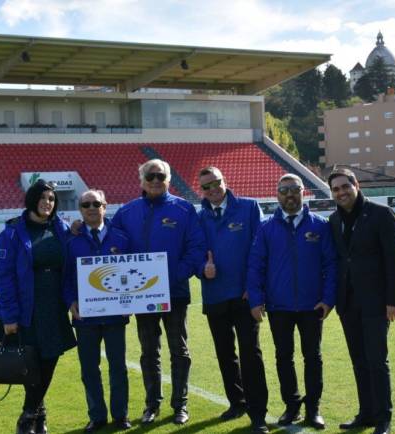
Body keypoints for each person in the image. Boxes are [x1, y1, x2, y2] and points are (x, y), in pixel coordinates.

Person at [111, 159, 206, 425]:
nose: (155, 180)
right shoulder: (127, 212)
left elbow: (196, 247)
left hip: (174, 293)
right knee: (149, 352)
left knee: (179, 350)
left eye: (160, 175)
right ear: (141, 180)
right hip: (143, 296)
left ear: (168, 179)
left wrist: (175, 275)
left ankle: (180, 405)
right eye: (150, 176)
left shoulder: (184, 209)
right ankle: (152, 405)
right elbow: (111, 243)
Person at [247, 173, 337, 430]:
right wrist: (256, 299)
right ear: (277, 195)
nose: (289, 195)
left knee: (313, 357)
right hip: (279, 307)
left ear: (303, 192)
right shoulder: (266, 228)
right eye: (284, 190)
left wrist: (328, 299)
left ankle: (313, 409)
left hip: (313, 307)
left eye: (294, 189)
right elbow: (256, 266)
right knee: (283, 357)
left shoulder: (320, 226)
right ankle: (292, 406)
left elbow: (331, 265)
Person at [0, 179, 77, 434]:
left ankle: (33, 412)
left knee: (49, 360)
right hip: (25, 308)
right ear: (31, 200)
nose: (47, 203)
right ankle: (32, 417)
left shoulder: (61, 229)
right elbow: (2, 277)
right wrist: (9, 315)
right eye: (42, 198)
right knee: (30, 363)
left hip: (53, 307)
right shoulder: (12, 233)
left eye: (51, 199)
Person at [327, 168, 395, 434]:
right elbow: (339, 261)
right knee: (359, 361)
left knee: (376, 361)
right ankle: (366, 413)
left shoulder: (381, 214)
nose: (341, 192)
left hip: (376, 302)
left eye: (344, 187)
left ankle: (384, 418)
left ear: (356, 185)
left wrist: (394, 300)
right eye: (335, 189)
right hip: (347, 303)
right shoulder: (334, 220)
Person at [196, 167, 269, 433]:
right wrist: (202, 267)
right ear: (200, 190)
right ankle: (236, 403)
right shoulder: (198, 217)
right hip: (214, 296)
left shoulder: (249, 208)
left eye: (216, 182)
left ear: (225, 181)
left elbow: (262, 248)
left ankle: (258, 413)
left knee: (251, 353)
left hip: (245, 295)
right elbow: (193, 252)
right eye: (206, 186)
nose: (212, 189)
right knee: (225, 354)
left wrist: (256, 287)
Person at [64, 190, 132, 432]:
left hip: (115, 317)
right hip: (85, 317)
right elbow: (66, 277)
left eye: (96, 203)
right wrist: (70, 300)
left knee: (118, 368)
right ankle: (97, 415)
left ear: (105, 206)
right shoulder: (71, 240)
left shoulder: (121, 238)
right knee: (89, 369)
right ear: (80, 209)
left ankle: (120, 415)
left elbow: (132, 273)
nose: (91, 208)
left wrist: (130, 302)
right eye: (86, 204)